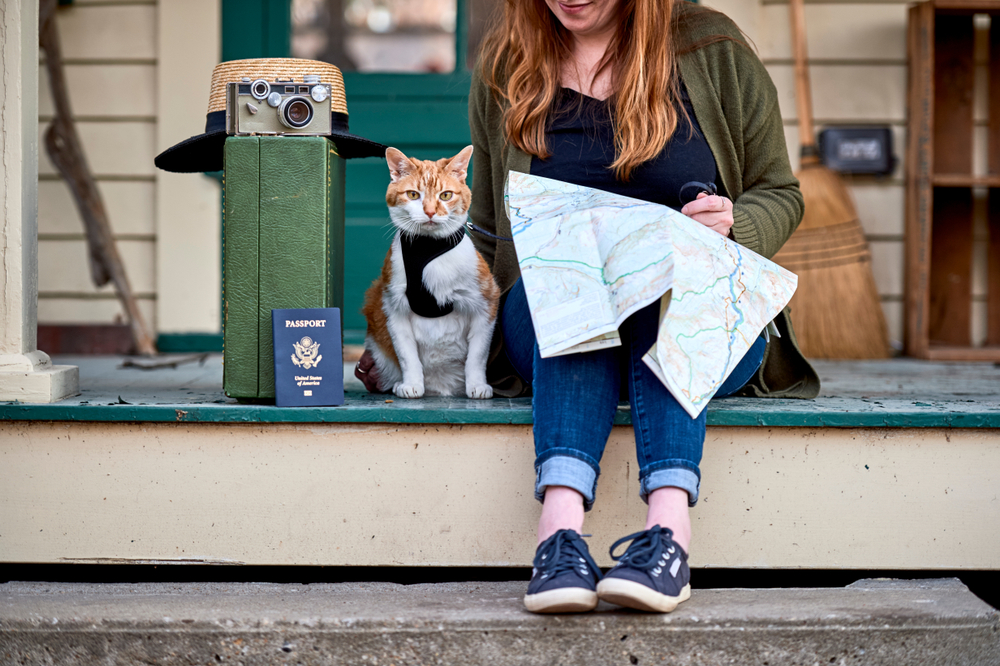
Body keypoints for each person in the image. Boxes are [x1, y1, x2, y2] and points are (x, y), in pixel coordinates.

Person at [357, 0, 819, 614]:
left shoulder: (713, 48)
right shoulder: (506, 62)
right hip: (554, 314)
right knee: (570, 281)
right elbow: (484, 230)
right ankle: (560, 537)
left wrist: (736, 224)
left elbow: (780, 192)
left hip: (700, 316)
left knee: (653, 283)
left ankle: (668, 537)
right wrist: (403, 339)